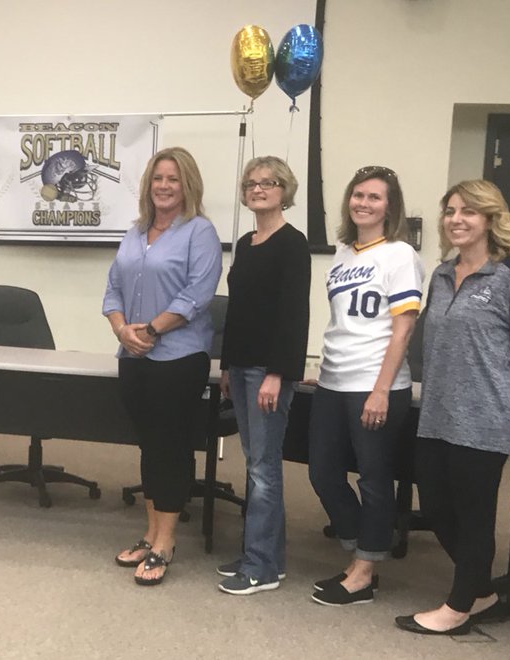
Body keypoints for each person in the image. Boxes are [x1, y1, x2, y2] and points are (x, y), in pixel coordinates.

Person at [396, 180, 510, 634]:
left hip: (487, 416)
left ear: (491, 219)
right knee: (436, 506)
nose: (456, 219)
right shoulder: (441, 274)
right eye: (450, 210)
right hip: (438, 412)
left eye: (468, 211)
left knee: (474, 514)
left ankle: (457, 607)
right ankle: (480, 590)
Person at [103, 146, 222, 586]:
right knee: (149, 446)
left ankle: (166, 543)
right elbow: (113, 289)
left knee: (170, 446)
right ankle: (150, 533)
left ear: (187, 185)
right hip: (133, 356)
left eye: (173, 179)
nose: (164, 186)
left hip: (178, 357)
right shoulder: (135, 232)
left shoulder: (199, 232)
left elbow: (197, 295)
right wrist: (122, 330)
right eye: (158, 178)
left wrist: (151, 330)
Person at [308, 166, 424, 606]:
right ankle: (362, 550)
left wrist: (381, 389)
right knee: (322, 472)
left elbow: (403, 329)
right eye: (358, 195)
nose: (364, 203)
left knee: (374, 479)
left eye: (375, 197)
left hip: (376, 383)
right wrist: (324, 371)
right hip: (333, 380)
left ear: (390, 207)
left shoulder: (400, 254)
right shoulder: (343, 253)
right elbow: (344, 322)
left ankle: (364, 571)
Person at [215, 156, 311, 595]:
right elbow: (238, 312)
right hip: (241, 367)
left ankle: (260, 567)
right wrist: (226, 365)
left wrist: (277, 374)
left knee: (263, 468)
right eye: (251, 183)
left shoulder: (293, 243)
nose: (258, 189)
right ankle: (268, 556)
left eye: (268, 182)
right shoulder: (246, 241)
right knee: (256, 463)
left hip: (268, 372)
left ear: (284, 191)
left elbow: (293, 315)